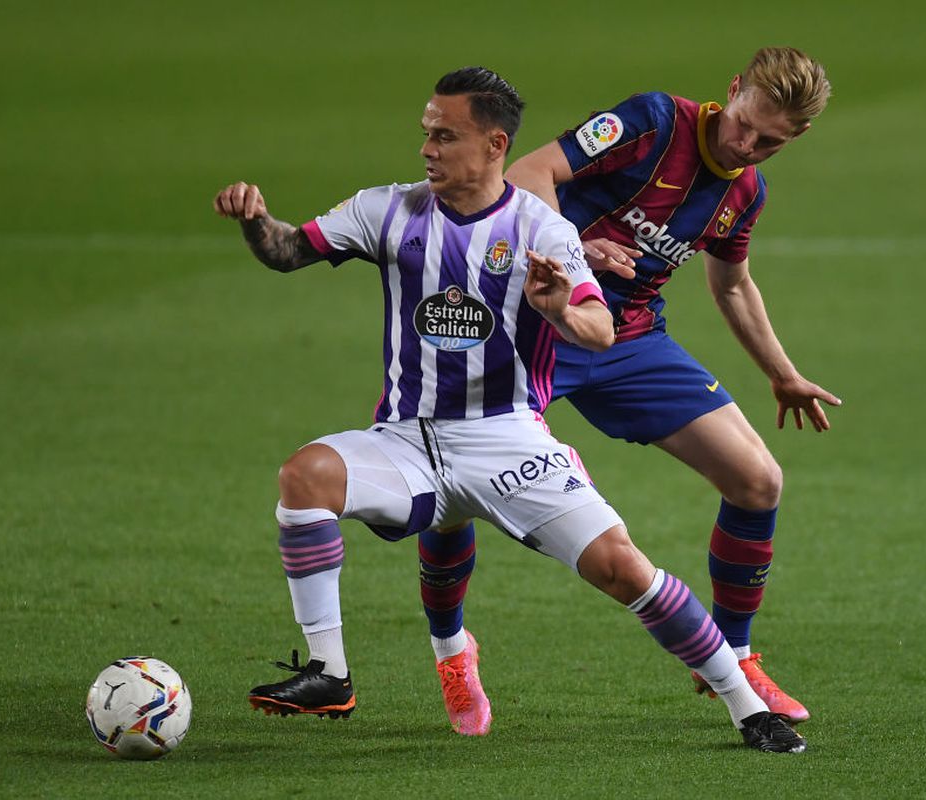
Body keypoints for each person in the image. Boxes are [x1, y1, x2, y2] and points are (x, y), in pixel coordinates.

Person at [213, 66, 806, 753]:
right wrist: (257, 222)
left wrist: (559, 306)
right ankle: (334, 671)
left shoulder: (545, 231)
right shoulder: (386, 209)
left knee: (624, 567)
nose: (428, 149)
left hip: (508, 439)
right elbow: (289, 252)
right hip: (409, 440)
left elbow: (599, 328)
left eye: (445, 136)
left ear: (494, 145)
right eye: (426, 134)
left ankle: (742, 701)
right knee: (304, 476)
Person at [418, 47, 839, 725]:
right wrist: (576, 248)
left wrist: (781, 373)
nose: (747, 144)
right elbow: (529, 174)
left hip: (631, 339)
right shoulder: (651, 121)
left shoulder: (744, 192)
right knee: (453, 494)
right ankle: (452, 649)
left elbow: (731, 284)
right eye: (744, 124)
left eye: (770, 141)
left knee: (759, 479)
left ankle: (735, 657)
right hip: (535, 319)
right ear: (732, 90)